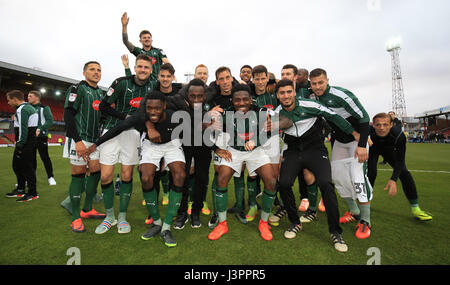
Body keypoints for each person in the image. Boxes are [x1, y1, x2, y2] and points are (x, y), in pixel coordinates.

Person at [274, 79, 357, 252]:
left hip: (315, 150)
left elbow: (333, 116)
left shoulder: (310, 104)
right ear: (277, 95)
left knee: (326, 184)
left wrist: (355, 133)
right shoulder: (276, 113)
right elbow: (269, 132)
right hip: (293, 152)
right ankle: (295, 222)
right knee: (284, 184)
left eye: (289, 91)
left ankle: (335, 232)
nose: (286, 96)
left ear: (294, 92)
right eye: (282, 93)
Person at [208, 84, 280, 241]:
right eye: (237, 100)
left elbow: (271, 132)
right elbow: (208, 130)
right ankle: (222, 224)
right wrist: (210, 121)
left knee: (271, 181)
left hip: (256, 151)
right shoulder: (225, 114)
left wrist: (256, 140)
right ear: (232, 101)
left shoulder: (261, 112)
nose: (241, 103)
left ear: (251, 99)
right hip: (234, 150)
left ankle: (264, 222)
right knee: (221, 178)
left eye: (245, 99)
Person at [97, 54, 157, 235]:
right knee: (106, 176)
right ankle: (109, 216)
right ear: (135, 67)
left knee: (126, 175)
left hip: (133, 134)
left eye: (146, 67)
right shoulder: (121, 82)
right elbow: (103, 106)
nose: (143, 70)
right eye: (140, 66)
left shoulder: (153, 86)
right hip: (111, 130)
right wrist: (125, 117)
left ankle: (122, 216)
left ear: (151, 70)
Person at [309, 68, 372, 239]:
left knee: (357, 176)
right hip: (339, 141)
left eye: (320, 82)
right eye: (313, 83)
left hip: (356, 141)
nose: (317, 86)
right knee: (338, 177)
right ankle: (354, 210)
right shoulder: (312, 97)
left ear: (327, 80)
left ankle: (366, 221)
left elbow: (364, 117)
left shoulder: (342, 95)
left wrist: (362, 144)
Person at [62, 61, 106, 232]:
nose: (96, 72)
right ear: (84, 72)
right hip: (78, 139)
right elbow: (68, 114)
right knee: (78, 175)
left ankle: (87, 209)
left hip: (95, 141)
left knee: (96, 171)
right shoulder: (77, 88)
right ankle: (75, 218)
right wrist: (77, 140)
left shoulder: (101, 94)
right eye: (92, 69)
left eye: (99, 70)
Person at [368, 112, 432, 221]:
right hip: (373, 149)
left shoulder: (399, 135)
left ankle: (416, 209)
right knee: (371, 173)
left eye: (385, 124)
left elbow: (400, 160)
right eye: (378, 125)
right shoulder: (368, 131)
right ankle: (365, 204)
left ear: (391, 125)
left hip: (389, 150)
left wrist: (393, 179)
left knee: (404, 173)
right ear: (373, 125)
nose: (381, 128)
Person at [5, 90, 39, 202]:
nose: (8, 103)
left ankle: (32, 193)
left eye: (9, 100)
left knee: (26, 168)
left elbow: (23, 130)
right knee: (19, 166)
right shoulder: (28, 108)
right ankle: (21, 189)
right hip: (29, 142)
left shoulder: (22, 109)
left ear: (15, 99)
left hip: (25, 143)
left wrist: (19, 144)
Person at [121, 12, 170, 81]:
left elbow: (167, 63)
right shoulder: (139, 51)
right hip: (144, 83)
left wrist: (171, 74)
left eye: (148, 37)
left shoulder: (158, 51)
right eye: (144, 38)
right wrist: (124, 27)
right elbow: (126, 42)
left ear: (151, 39)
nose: (147, 39)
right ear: (140, 41)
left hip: (157, 83)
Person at [27, 90, 56, 186]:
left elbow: (50, 120)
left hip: (41, 137)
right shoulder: (27, 108)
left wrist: (40, 128)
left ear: (37, 97)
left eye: (30, 96)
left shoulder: (44, 108)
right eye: (28, 96)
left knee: (45, 158)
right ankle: (30, 179)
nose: (28, 97)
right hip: (29, 137)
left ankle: (50, 177)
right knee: (31, 158)